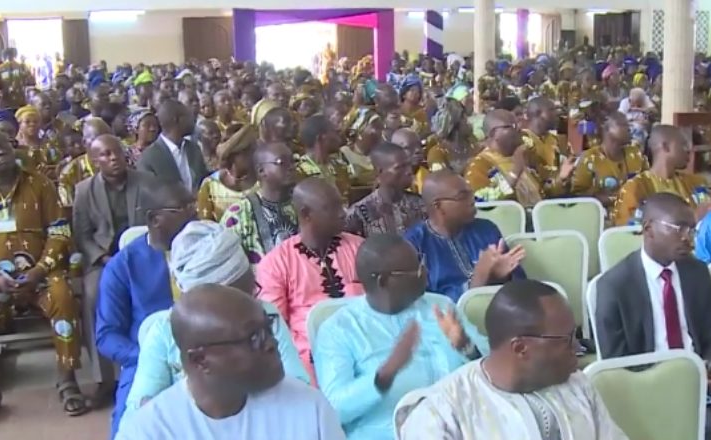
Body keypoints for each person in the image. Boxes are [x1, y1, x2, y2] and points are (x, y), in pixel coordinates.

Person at [397, 280, 628, 440]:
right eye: (567, 339)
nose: (577, 348)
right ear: (521, 348)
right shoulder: (442, 414)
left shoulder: (578, 385)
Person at [115, 284, 345, 440]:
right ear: (200, 360)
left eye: (268, 327)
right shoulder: (150, 432)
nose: (271, 344)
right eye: (253, 337)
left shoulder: (309, 407)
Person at [125, 221, 310, 415]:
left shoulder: (265, 315)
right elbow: (139, 411)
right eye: (242, 298)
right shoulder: (164, 333)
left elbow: (299, 386)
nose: (254, 297)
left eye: (252, 290)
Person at [0, 130, 87, 427]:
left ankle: (67, 378)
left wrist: (38, 271)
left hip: (41, 273)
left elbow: (60, 232)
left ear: (13, 147)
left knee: (62, 297)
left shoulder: (40, 184)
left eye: (2, 145)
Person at [315, 233, 488, 438]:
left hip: (460, 427)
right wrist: (385, 375)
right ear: (383, 280)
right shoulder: (339, 330)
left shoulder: (440, 307)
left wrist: (465, 346)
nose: (425, 272)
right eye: (415, 270)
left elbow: (492, 369)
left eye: (421, 263)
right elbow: (333, 410)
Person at [595, 193, 711, 440]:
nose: (688, 238)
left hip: (701, 380)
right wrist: (680, 379)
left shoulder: (696, 272)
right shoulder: (614, 286)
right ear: (649, 229)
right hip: (648, 388)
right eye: (678, 229)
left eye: (691, 229)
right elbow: (618, 365)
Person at [96, 179, 196, 436]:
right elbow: (107, 335)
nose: (194, 215)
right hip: (143, 359)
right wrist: (150, 356)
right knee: (129, 428)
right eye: (182, 210)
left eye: (193, 205)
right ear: (154, 219)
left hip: (210, 355)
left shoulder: (207, 251)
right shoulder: (123, 266)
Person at [256, 177, 365, 381]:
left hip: (366, 350)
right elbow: (276, 328)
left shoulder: (359, 248)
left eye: (341, 205)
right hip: (310, 364)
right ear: (306, 214)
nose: (343, 213)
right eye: (332, 208)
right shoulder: (277, 263)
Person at [73, 134, 153, 407]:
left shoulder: (144, 182)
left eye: (116, 152)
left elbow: (155, 222)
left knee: (153, 291)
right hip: (103, 260)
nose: (113, 158)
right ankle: (104, 378)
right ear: (95, 161)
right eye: (105, 155)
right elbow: (82, 236)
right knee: (94, 294)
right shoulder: (84, 190)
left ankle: (149, 365)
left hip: (141, 255)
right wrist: (104, 258)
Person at [404, 170, 525, 302]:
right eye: (462, 196)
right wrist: (478, 278)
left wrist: (498, 277)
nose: (472, 200)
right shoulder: (414, 244)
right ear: (438, 206)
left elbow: (520, 287)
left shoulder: (486, 229)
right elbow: (424, 304)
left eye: (471, 193)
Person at [612, 125, 711, 226]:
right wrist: (693, 219)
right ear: (665, 147)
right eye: (683, 145)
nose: (688, 150)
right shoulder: (635, 188)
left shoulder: (695, 182)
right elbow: (628, 233)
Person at [465, 109, 570, 207]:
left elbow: (543, 192)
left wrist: (561, 178)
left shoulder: (526, 156)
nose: (519, 129)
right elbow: (480, 201)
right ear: (494, 133)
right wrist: (515, 172)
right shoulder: (480, 165)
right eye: (513, 126)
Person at [221, 141, 300, 264]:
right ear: (261, 171)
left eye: (293, 161)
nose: (291, 167)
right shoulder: (239, 214)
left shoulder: (303, 202)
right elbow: (229, 266)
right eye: (282, 162)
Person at [344, 142, 426, 237]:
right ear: (380, 172)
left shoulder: (421, 205)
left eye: (408, 165)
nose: (409, 171)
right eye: (400, 167)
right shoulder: (359, 214)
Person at [573, 112, 648, 211]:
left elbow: (648, 186)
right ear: (608, 129)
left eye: (629, 125)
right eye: (623, 125)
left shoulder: (636, 154)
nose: (629, 129)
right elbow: (579, 196)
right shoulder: (590, 158)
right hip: (600, 217)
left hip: (634, 216)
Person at [136, 99, 208, 192]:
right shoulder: (148, 159)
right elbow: (150, 196)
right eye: (188, 116)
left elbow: (204, 181)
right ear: (177, 120)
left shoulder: (194, 148)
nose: (193, 120)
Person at [196, 124, 258, 222]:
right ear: (233, 155)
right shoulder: (210, 185)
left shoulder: (264, 181)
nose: (255, 154)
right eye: (249, 151)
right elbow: (204, 226)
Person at [58, 117, 111, 208]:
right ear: (84, 142)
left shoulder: (119, 163)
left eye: (108, 138)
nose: (104, 143)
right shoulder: (69, 173)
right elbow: (70, 210)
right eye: (97, 139)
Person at [298, 114, 351, 201]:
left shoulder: (340, 167)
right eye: (334, 132)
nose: (339, 136)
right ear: (321, 138)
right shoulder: (300, 172)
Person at [521, 97, 569, 183]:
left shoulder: (554, 139)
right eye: (552, 110)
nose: (557, 114)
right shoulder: (522, 140)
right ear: (538, 113)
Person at [340, 108, 384, 186]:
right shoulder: (344, 154)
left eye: (381, 128)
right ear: (360, 130)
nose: (380, 132)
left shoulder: (382, 154)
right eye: (376, 128)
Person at [390, 127, 427, 193]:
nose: (418, 150)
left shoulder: (426, 175)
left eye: (420, 145)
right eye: (408, 147)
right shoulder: (390, 182)